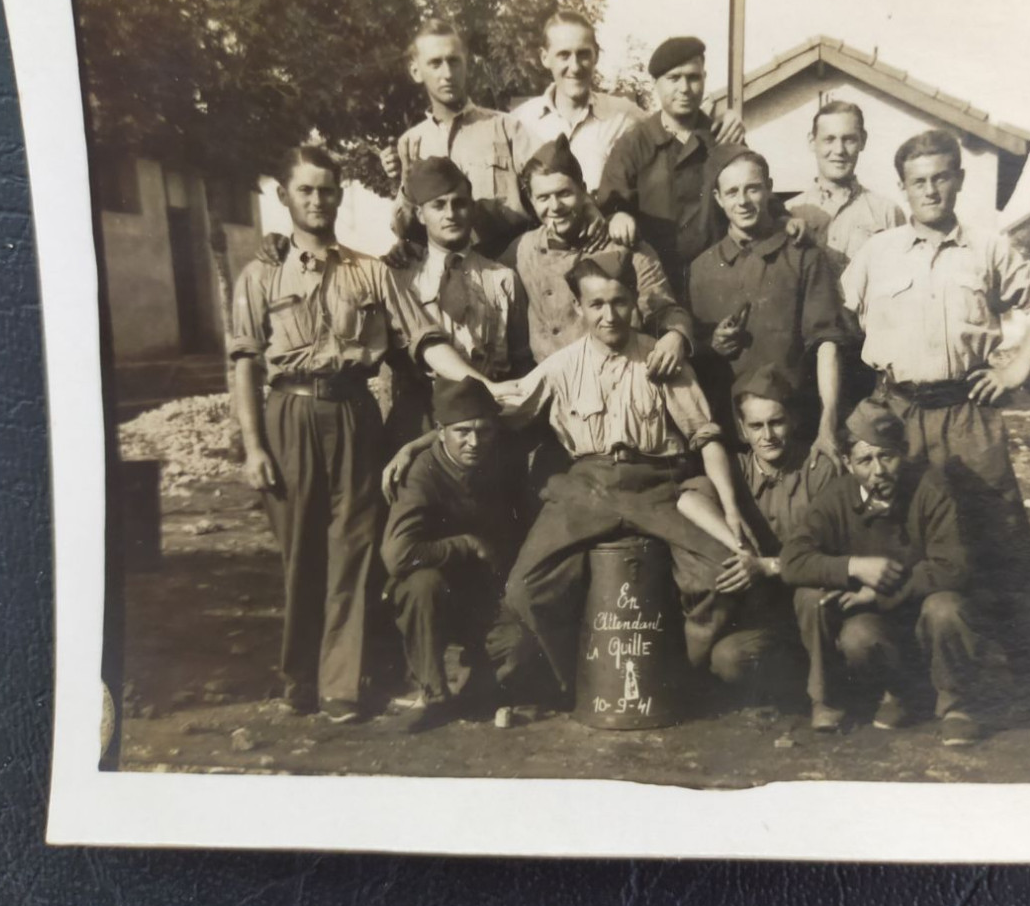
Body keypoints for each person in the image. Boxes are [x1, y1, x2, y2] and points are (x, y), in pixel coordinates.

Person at [840, 128, 1030, 721]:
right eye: (918, 181)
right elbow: (837, 328)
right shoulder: (877, 253)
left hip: (967, 413)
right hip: (896, 417)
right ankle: (910, 683)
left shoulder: (988, 248)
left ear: (958, 180)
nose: (930, 190)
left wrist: (1017, 368)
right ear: (903, 187)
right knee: (898, 537)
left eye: (941, 176)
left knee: (1001, 540)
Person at [229, 146, 488, 723]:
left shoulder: (370, 271)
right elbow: (244, 362)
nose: (318, 200)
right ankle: (300, 675)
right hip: (288, 416)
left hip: (353, 414)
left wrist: (477, 384)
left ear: (340, 196)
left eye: (327, 190)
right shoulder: (260, 273)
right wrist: (253, 446)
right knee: (301, 555)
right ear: (284, 198)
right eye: (306, 190)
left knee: (353, 548)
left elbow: (422, 338)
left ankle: (339, 686)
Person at [487, 256, 751, 697]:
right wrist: (419, 443)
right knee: (525, 587)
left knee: (719, 573)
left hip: (656, 484)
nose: (609, 316)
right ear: (578, 307)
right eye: (596, 305)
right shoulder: (561, 365)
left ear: (635, 304)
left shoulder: (662, 358)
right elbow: (500, 408)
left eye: (620, 302)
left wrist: (730, 508)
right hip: (588, 487)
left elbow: (705, 436)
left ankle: (677, 670)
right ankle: (576, 678)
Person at [781, 400, 1003, 744]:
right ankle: (893, 693)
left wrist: (882, 590)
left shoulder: (932, 490)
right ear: (846, 462)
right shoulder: (835, 497)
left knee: (947, 607)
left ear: (904, 452)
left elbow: (955, 567)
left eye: (887, 456)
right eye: (864, 460)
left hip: (926, 618)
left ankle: (957, 704)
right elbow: (793, 560)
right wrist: (853, 567)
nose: (878, 471)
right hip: (879, 627)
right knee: (850, 630)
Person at [676, 364, 836, 697]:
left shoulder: (818, 469)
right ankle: (797, 680)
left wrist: (766, 567)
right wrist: (736, 539)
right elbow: (687, 500)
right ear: (742, 429)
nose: (768, 436)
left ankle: (827, 682)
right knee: (728, 660)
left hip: (816, 606)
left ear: (792, 419)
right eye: (756, 426)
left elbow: (829, 555)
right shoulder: (733, 470)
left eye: (776, 422)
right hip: (766, 616)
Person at [688, 144, 850, 469]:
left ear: (769, 189)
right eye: (732, 192)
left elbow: (826, 344)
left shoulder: (803, 255)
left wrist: (827, 426)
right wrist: (712, 345)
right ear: (718, 199)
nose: (743, 201)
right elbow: (695, 358)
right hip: (732, 445)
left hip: (799, 435)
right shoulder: (701, 268)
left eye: (753, 189)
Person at [379, 377, 527, 733]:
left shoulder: (500, 458)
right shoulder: (421, 474)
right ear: (440, 431)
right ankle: (433, 694)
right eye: (462, 432)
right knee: (422, 585)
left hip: (484, 590)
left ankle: (476, 678)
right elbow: (398, 555)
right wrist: (465, 544)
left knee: (521, 646)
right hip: (434, 592)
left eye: (483, 431)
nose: (474, 442)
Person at [504, 134, 693, 372]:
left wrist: (675, 335)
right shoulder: (522, 250)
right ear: (531, 200)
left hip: (620, 377)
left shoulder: (623, 243)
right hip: (555, 384)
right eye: (543, 197)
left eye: (564, 193)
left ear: (583, 191)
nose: (555, 207)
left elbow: (663, 308)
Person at [386, 156, 529, 432]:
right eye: (438, 205)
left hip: (488, 413)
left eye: (459, 203)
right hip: (425, 413)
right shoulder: (403, 278)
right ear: (419, 214)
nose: (450, 214)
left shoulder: (502, 278)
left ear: (473, 209)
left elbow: (521, 357)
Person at [595, 36, 745, 291]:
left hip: (717, 279)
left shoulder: (723, 137)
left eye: (693, 77)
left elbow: (753, 189)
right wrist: (617, 215)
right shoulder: (634, 143)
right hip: (653, 281)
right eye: (674, 78)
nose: (684, 88)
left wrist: (786, 219)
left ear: (704, 78)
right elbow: (609, 202)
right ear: (656, 83)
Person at [383, 18, 538, 259]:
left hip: (507, 262)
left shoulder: (506, 127)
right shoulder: (412, 142)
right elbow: (403, 229)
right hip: (443, 277)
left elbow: (545, 192)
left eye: (453, 61)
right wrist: (406, 183)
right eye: (435, 63)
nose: (447, 73)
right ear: (416, 71)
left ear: (467, 65)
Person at [508, 9, 649, 192]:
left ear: (596, 55)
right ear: (545, 58)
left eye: (583, 54)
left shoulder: (625, 116)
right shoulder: (520, 121)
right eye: (564, 55)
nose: (574, 67)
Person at [787, 101, 905, 278]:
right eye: (829, 139)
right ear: (812, 142)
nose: (839, 150)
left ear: (863, 141)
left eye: (848, 139)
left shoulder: (886, 212)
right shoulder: (790, 211)